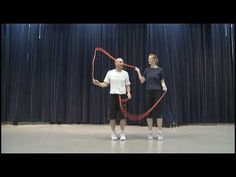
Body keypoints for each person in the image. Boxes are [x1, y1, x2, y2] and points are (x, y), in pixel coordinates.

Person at [93, 58, 131, 141]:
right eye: (120, 62)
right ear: (116, 63)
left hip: (123, 96)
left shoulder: (125, 73)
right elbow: (105, 84)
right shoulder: (110, 73)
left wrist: (128, 93)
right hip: (113, 96)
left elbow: (127, 85)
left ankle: (122, 133)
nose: (122, 64)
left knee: (122, 117)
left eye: (123, 62)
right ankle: (113, 133)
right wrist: (98, 83)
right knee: (112, 116)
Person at [135, 53, 167, 140]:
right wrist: (138, 71)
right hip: (148, 93)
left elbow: (162, 81)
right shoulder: (146, 70)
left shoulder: (160, 70)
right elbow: (142, 81)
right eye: (148, 59)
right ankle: (150, 132)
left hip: (157, 92)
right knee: (149, 113)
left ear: (154, 60)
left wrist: (164, 86)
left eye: (150, 59)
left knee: (159, 113)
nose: (148, 60)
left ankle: (160, 132)